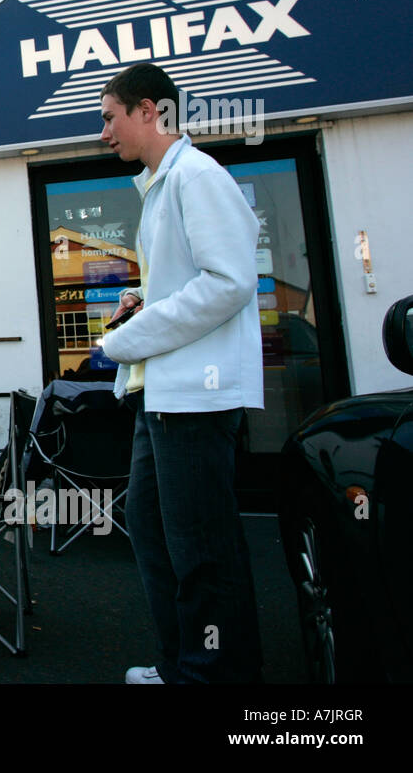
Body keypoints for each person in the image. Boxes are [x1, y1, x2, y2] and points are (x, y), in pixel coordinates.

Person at [97, 63, 264, 684]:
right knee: (153, 532)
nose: (105, 133)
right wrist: (143, 301)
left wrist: (126, 336)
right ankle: (181, 666)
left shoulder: (197, 177)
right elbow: (190, 282)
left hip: (195, 399)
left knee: (202, 552)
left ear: (150, 111)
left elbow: (230, 282)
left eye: (111, 117)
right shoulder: (163, 187)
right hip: (159, 395)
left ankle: (216, 677)